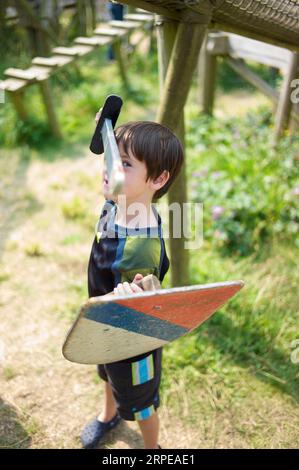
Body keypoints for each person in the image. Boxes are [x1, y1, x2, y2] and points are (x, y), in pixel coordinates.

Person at [80, 110, 184, 449]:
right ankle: (108, 415)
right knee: (106, 372)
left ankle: (152, 449)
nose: (111, 169)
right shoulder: (120, 203)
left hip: (131, 340)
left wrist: (137, 294)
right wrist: (106, 131)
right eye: (113, 158)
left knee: (140, 402)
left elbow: (151, 298)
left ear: (157, 179)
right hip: (103, 322)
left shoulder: (141, 249)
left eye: (125, 163)